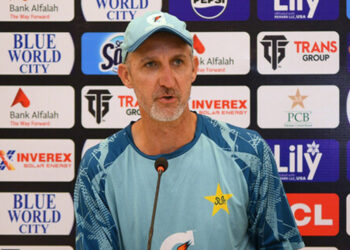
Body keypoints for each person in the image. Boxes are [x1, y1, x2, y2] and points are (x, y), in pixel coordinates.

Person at [74, 11, 305, 250]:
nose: (167, 81)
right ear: (126, 76)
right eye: (151, 64)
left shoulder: (247, 152)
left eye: (177, 62)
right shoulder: (99, 168)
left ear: (193, 68)